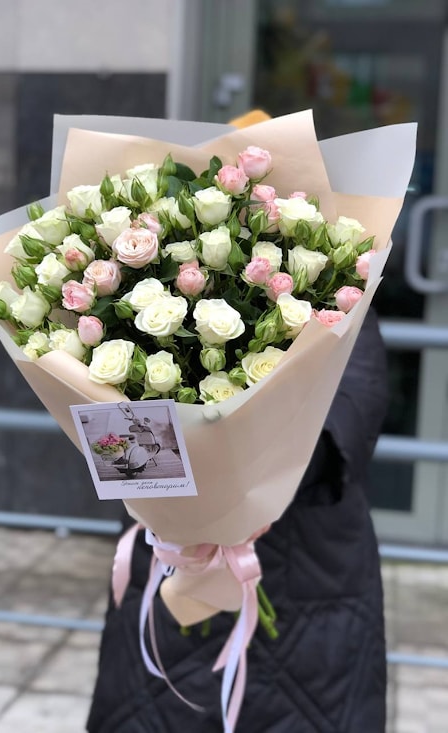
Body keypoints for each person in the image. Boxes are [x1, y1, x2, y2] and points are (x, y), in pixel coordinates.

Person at [86, 113, 389, 733]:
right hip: (169, 563)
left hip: (307, 581)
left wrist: (235, 475)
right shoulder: (152, 289)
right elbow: (109, 434)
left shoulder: (340, 293)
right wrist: (175, 494)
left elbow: (347, 427)